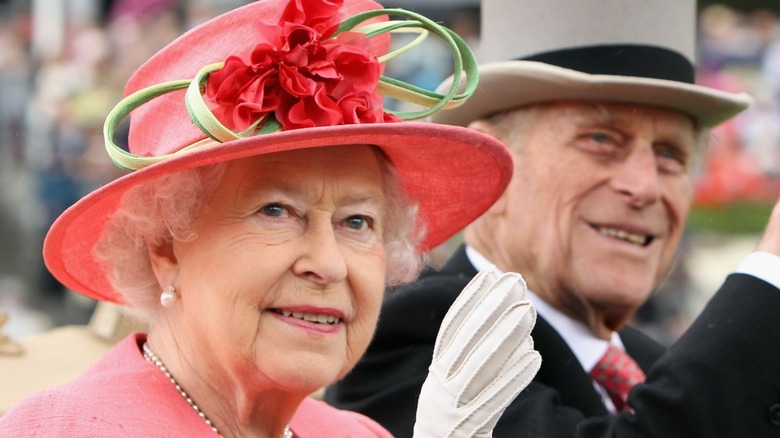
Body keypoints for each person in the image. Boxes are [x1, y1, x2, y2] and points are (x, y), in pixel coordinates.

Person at [0, 0, 542, 436]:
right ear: (164, 248)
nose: (328, 265)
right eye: (276, 211)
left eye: (357, 222)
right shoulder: (66, 429)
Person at [325, 0, 780, 436]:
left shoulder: (652, 364)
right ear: (493, 167)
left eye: (669, 155)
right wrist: (769, 275)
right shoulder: (423, 337)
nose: (645, 186)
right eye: (601, 140)